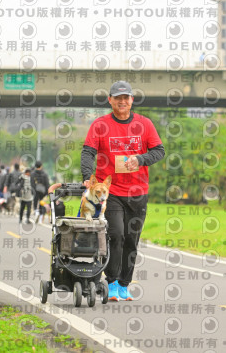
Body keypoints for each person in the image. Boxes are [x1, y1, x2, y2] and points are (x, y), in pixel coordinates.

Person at [81, 80, 165, 302]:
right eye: (117, 98)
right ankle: (111, 282)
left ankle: (124, 284)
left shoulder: (145, 124)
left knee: (131, 239)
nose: (122, 101)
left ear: (131, 100)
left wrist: (141, 159)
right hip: (111, 193)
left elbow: (159, 151)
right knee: (116, 235)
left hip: (138, 192)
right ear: (110, 100)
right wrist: (87, 176)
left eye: (125, 98)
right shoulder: (100, 125)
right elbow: (88, 152)